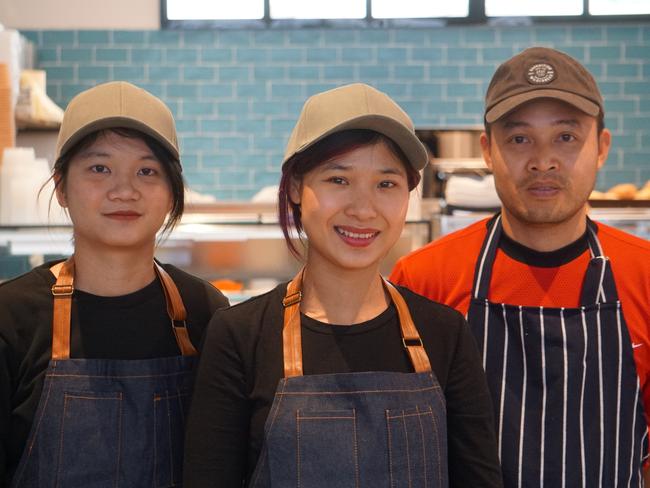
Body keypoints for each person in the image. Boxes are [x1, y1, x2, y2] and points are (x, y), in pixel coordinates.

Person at [183, 83, 503, 488]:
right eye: (338, 179)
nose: (363, 208)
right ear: (297, 186)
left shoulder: (445, 333)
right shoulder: (238, 336)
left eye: (386, 184)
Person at [391, 46, 650, 487]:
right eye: (519, 138)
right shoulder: (423, 279)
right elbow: (403, 447)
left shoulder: (643, 276)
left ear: (602, 148)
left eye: (566, 137)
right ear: (488, 151)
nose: (542, 160)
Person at [0, 81, 229, 487]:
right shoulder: (11, 316)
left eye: (147, 171)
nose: (124, 191)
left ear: (172, 194)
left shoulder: (205, 311)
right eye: (99, 168)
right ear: (61, 188)